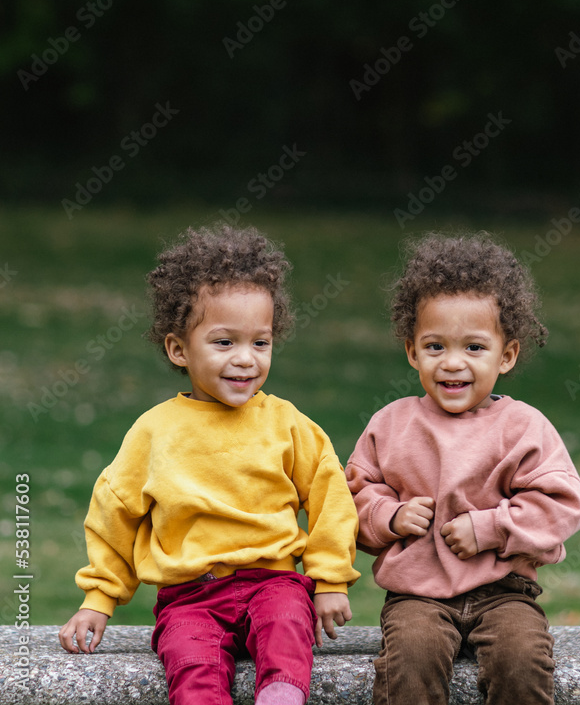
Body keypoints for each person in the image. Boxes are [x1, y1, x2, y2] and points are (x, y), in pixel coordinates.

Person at [59, 224, 359, 705]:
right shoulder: (155, 432)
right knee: (190, 660)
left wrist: (329, 580)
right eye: (224, 343)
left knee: (287, 625)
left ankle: (281, 697)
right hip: (190, 597)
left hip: (274, 584)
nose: (246, 359)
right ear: (179, 348)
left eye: (260, 343)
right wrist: (99, 599)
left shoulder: (286, 423)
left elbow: (330, 497)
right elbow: (115, 513)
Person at [346, 231, 580, 705]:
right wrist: (388, 517)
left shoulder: (522, 427)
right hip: (416, 597)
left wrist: (491, 527)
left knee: (523, 659)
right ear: (413, 351)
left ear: (507, 355)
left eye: (474, 348)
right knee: (409, 661)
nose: (452, 363)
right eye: (435, 347)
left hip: (505, 592)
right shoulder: (391, 425)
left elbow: (560, 506)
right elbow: (351, 499)